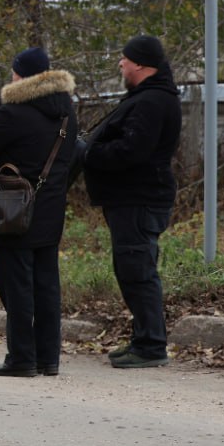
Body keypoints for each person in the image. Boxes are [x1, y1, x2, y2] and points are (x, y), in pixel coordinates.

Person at [0, 47, 77, 377]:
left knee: (15, 284)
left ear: (20, 75)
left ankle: (22, 358)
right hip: (52, 208)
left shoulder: (14, 112)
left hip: (15, 210)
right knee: (47, 285)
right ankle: (48, 359)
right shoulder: (67, 111)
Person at [82, 35, 181, 369]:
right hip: (132, 198)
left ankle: (152, 346)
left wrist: (90, 154)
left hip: (140, 199)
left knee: (138, 271)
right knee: (131, 269)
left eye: (124, 59)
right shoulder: (147, 97)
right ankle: (143, 339)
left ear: (139, 63)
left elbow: (132, 151)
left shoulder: (152, 101)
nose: (121, 64)